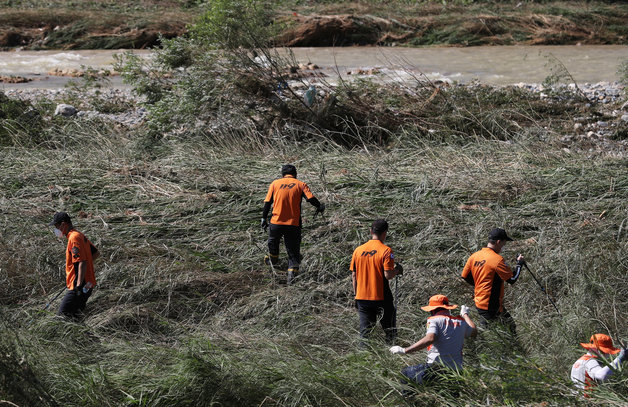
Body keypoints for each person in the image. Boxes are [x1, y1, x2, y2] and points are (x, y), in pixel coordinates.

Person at [390, 294, 477, 385]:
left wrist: (404, 350)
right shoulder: (461, 322)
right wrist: (465, 314)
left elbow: (430, 338)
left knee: (405, 373)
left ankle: (410, 398)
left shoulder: (434, 320)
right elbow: (474, 332)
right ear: (447, 308)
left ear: (433, 310)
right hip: (456, 372)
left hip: (437, 371)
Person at [261, 164, 324, 282]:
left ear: (282, 174)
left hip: (276, 223)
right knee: (293, 253)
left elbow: (267, 202)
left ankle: (273, 261)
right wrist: (319, 206)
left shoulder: (275, 184)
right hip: (293, 225)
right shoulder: (301, 184)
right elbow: (311, 199)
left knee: (273, 243)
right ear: (295, 174)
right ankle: (292, 279)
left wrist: (263, 218)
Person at [350, 219, 402, 345]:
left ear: (370, 231)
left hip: (362, 297)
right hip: (381, 297)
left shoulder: (358, 250)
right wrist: (398, 270)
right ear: (385, 233)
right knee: (390, 330)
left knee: (365, 333)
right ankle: (391, 353)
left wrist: (356, 296)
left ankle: (362, 357)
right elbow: (388, 275)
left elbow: (353, 275)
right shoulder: (386, 251)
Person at [460, 228, 524, 331]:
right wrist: (519, 264)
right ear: (499, 242)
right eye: (504, 243)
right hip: (490, 305)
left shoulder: (474, 256)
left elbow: (465, 276)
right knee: (496, 330)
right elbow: (512, 279)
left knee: (508, 326)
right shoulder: (497, 260)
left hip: (479, 300)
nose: (504, 246)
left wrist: (479, 285)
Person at [49, 212, 99, 319]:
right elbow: (95, 253)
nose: (56, 230)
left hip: (80, 286)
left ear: (63, 224)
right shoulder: (79, 235)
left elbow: (82, 262)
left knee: (62, 316)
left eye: (56, 226)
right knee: (75, 317)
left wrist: (78, 285)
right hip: (89, 284)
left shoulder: (74, 238)